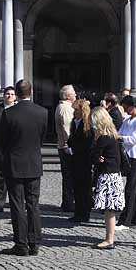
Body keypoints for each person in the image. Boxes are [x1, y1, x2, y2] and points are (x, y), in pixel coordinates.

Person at [0, 78, 48, 256]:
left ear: (15, 94)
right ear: (31, 92)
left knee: (17, 205)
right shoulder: (42, 112)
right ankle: (34, 242)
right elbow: (42, 138)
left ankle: (21, 244)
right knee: (33, 204)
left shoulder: (8, 114)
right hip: (33, 162)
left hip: (14, 163)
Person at [89, 106, 125, 249]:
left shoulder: (103, 138)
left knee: (109, 210)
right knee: (109, 210)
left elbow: (94, 157)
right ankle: (109, 238)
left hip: (108, 176)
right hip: (114, 175)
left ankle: (109, 240)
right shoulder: (112, 136)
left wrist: (97, 157)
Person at [116, 95, 136, 230]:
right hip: (129, 155)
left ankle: (125, 220)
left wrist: (121, 138)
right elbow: (120, 133)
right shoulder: (128, 120)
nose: (125, 111)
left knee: (130, 188)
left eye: (126, 108)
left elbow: (135, 139)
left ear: (132, 106)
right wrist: (121, 138)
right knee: (135, 188)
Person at [67, 98, 93, 223]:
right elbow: (72, 137)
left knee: (85, 188)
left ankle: (85, 212)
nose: (74, 112)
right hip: (75, 159)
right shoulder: (75, 121)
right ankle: (78, 211)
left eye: (76, 109)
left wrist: (74, 149)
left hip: (84, 160)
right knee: (76, 187)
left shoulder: (87, 124)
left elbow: (87, 143)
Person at [54, 85, 76, 213]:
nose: (75, 95)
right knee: (69, 176)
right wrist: (72, 145)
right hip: (67, 147)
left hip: (64, 146)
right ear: (68, 96)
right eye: (73, 93)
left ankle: (67, 201)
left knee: (68, 176)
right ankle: (68, 203)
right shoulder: (66, 108)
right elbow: (68, 129)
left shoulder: (63, 107)